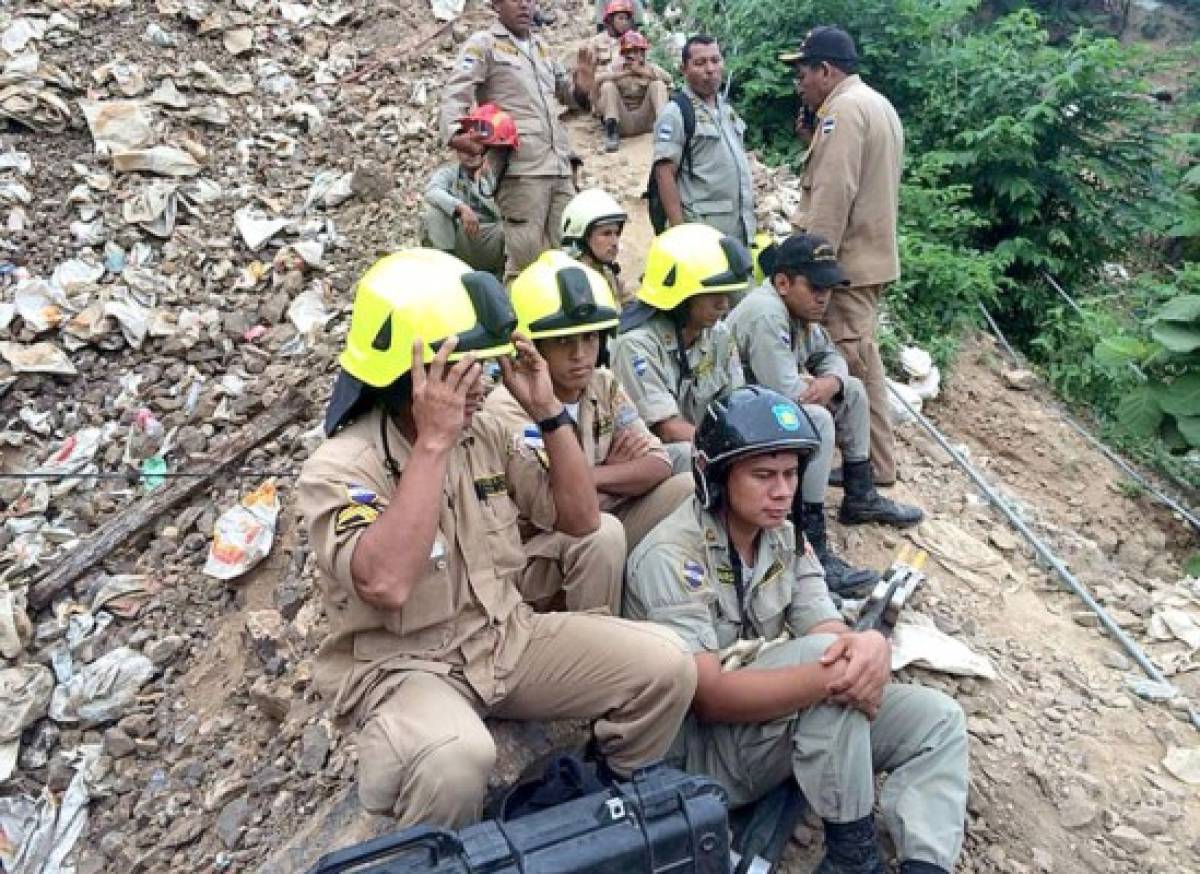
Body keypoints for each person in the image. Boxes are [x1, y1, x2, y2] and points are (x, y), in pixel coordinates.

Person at [297, 249, 696, 827]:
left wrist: (548, 411)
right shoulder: (342, 467)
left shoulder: (483, 431)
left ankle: (604, 811)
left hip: (505, 638)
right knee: (458, 758)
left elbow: (582, 520)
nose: (486, 382)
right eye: (469, 368)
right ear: (416, 374)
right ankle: (433, 861)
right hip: (407, 665)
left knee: (667, 666)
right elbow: (385, 582)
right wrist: (432, 442)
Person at [624, 386, 968, 874]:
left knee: (938, 718)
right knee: (829, 677)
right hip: (703, 757)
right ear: (716, 478)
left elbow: (824, 623)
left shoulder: (783, 537)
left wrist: (867, 647)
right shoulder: (672, 557)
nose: (783, 491)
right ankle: (852, 858)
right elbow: (710, 698)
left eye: (790, 474)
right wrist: (836, 672)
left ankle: (925, 865)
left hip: (768, 730)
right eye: (763, 475)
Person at [726, 234, 922, 587]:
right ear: (783, 282)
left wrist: (831, 379)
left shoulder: (801, 313)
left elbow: (832, 359)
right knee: (817, 417)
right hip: (736, 418)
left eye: (829, 288)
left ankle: (860, 494)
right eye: (816, 287)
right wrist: (823, 384)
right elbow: (787, 392)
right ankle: (810, 540)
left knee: (854, 391)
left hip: (761, 407)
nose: (824, 297)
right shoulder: (767, 312)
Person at [484, 250, 694, 562]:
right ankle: (598, 610)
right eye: (564, 341)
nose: (580, 354)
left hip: (604, 515)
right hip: (545, 544)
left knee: (690, 480)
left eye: (590, 339)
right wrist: (617, 476)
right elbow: (557, 509)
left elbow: (658, 462)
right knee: (601, 535)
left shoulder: (602, 383)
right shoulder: (507, 406)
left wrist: (591, 476)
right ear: (532, 348)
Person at [783, 26, 904, 485]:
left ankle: (856, 466)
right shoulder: (875, 104)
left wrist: (810, 270)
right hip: (866, 261)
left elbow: (834, 196)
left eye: (803, 74)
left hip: (844, 267)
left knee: (842, 366)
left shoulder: (844, 113)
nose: (800, 85)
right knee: (863, 359)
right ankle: (876, 464)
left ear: (826, 70)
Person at [442, 0, 582, 281]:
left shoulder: (542, 48)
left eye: (530, 0)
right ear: (496, 4)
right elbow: (456, 91)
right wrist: (457, 135)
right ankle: (517, 324)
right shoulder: (484, 44)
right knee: (525, 266)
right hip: (521, 170)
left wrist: (586, 87)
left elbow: (569, 97)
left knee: (569, 261)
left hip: (559, 167)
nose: (524, 5)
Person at [609, 223, 749, 473]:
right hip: (650, 460)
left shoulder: (718, 334)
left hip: (707, 446)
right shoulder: (636, 344)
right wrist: (733, 450)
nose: (724, 305)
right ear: (678, 296)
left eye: (727, 293)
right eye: (712, 293)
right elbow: (667, 430)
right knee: (688, 455)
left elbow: (737, 404)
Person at [651, 35, 755, 246]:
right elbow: (664, 174)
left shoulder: (726, 111)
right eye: (700, 63)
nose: (710, 68)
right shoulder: (677, 113)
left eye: (715, 60)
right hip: (702, 234)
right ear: (684, 69)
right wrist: (679, 233)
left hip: (739, 229)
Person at [422, 113, 507, 278]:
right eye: (465, 149)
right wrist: (461, 208)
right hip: (462, 241)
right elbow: (432, 191)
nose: (470, 154)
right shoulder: (449, 174)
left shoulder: (493, 176)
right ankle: (445, 268)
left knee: (513, 229)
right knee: (434, 212)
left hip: (491, 241)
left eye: (476, 148)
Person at [594, 31, 672, 153]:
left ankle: (664, 129)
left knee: (658, 84)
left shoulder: (649, 67)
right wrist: (624, 73)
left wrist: (642, 71)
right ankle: (612, 132)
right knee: (607, 86)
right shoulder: (615, 67)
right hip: (624, 121)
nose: (636, 56)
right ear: (624, 54)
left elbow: (668, 79)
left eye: (639, 51)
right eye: (632, 52)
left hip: (647, 119)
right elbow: (596, 81)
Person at [560, 187, 631, 307]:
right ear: (583, 238)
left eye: (616, 233)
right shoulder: (572, 282)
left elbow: (630, 306)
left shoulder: (607, 272)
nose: (615, 242)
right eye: (606, 234)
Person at [573, 0, 636, 114]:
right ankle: (611, 124)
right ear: (610, 20)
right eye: (620, 18)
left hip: (630, 94)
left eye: (627, 19)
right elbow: (589, 76)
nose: (625, 22)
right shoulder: (595, 43)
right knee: (608, 86)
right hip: (604, 95)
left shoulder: (634, 41)